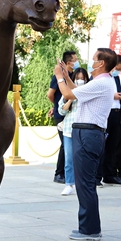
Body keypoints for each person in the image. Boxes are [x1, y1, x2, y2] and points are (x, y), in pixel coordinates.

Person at [53, 47, 117, 241]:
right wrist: (66, 76)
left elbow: (68, 94)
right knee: (84, 183)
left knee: (85, 184)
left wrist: (59, 77)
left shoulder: (102, 82)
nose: (91, 62)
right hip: (87, 132)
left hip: (88, 133)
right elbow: (77, 92)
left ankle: (90, 230)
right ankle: (88, 227)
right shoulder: (101, 82)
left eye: (94, 59)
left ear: (101, 63)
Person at [47, 50, 79, 184]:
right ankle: (59, 173)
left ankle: (68, 173)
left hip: (72, 113)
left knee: (69, 144)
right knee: (65, 144)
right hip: (62, 114)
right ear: (68, 62)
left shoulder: (74, 76)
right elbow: (50, 94)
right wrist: (56, 106)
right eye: (75, 60)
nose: (77, 62)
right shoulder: (59, 76)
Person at [57, 67, 90, 196]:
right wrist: (70, 98)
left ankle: (83, 183)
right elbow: (61, 111)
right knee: (69, 158)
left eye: (82, 79)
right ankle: (69, 184)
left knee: (83, 158)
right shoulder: (67, 92)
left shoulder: (88, 92)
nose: (80, 81)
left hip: (83, 129)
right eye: (77, 78)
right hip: (68, 129)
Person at [98, 54, 121, 187]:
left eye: (120, 70)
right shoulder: (102, 77)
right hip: (106, 113)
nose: (118, 71)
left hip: (116, 112)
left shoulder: (116, 78)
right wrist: (112, 95)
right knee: (102, 145)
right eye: (117, 68)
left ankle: (109, 174)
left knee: (112, 146)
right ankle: (96, 176)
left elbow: (117, 93)